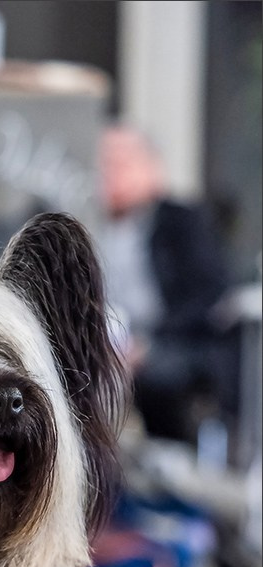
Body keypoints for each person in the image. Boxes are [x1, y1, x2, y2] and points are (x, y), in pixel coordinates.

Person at [97, 122, 233, 447]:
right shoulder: (82, 222)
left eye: (123, 161)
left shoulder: (182, 221)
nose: (111, 172)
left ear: (152, 168)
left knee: (162, 378)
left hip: (168, 343)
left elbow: (209, 293)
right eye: (104, 162)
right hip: (101, 344)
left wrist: (147, 343)